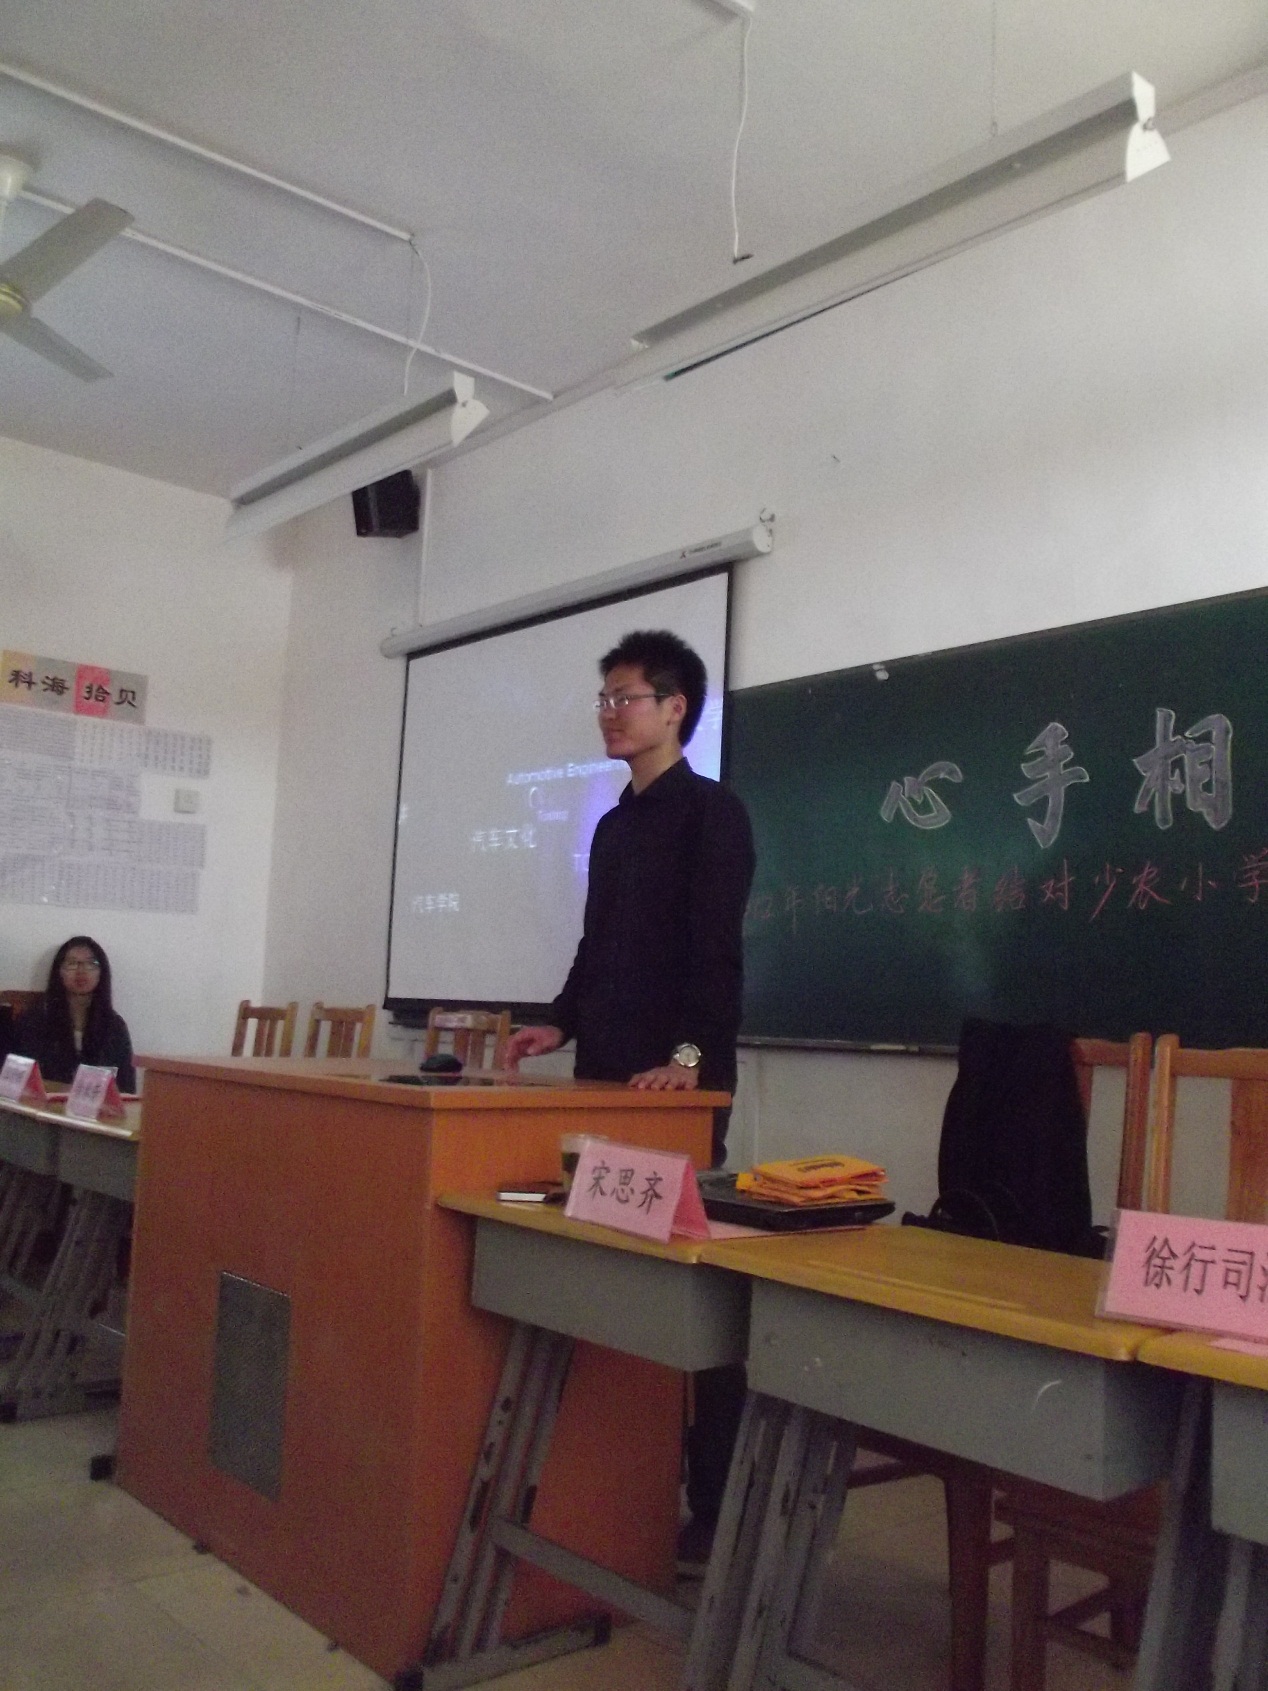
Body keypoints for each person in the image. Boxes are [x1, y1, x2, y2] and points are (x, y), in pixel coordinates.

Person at [505, 627, 755, 1564]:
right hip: (606, 1076)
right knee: (612, 1275)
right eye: (604, 699)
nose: (610, 713)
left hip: (675, 1089)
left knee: (687, 1285)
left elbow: (715, 951)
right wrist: (558, 1024)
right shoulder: (613, 827)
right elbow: (596, 949)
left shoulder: (713, 814)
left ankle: (718, 1502)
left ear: (675, 708)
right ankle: (621, 1481)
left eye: (627, 698)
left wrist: (688, 1057)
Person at [11, 935, 137, 1092]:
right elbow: (16, 1078)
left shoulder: (114, 1026)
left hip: (97, 1107)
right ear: (59, 972)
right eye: (72, 963)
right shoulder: (34, 1021)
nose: (81, 971)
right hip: (42, 1105)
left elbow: (127, 1087)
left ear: (101, 972)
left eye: (91, 964)